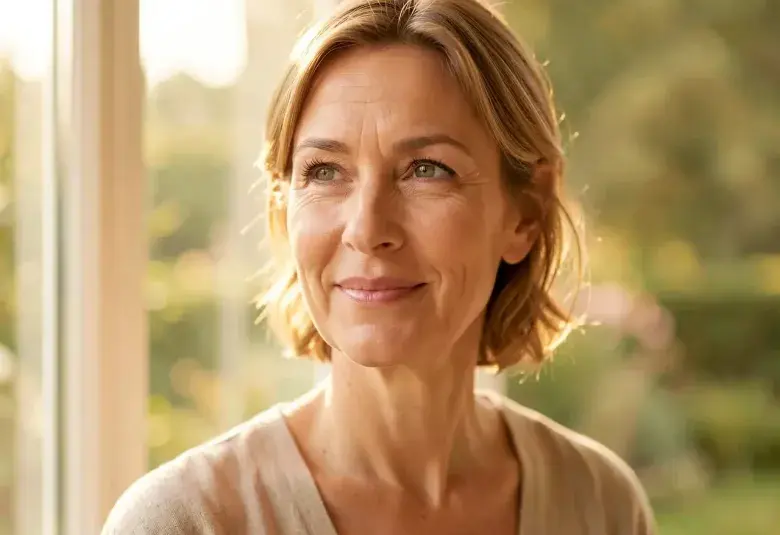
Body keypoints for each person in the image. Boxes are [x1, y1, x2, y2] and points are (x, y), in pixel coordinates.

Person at [103, 0, 656, 533]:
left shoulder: (600, 504)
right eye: (324, 172)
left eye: (426, 169)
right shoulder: (182, 522)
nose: (366, 229)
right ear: (282, 204)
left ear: (526, 212)